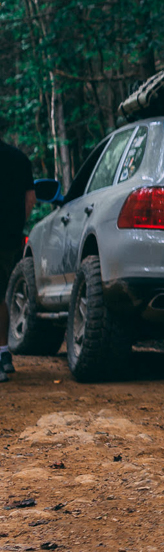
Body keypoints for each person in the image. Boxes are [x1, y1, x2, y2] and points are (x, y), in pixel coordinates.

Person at [0, 139, 35, 382]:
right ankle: (3, 354)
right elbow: (30, 198)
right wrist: (16, 225)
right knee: (0, 294)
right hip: (9, 238)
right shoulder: (18, 158)